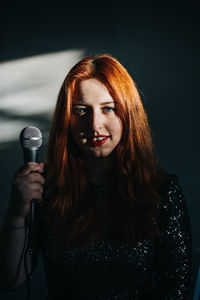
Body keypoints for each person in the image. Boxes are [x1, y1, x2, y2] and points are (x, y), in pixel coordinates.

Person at [0, 54, 192, 299]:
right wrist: (17, 211)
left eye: (108, 108)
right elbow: (11, 279)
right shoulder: (46, 188)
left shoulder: (162, 191)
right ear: (65, 120)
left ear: (128, 114)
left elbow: (175, 287)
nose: (94, 124)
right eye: (81, 110)